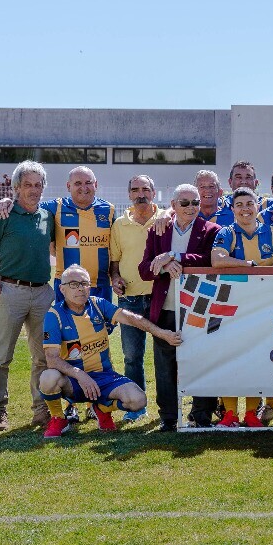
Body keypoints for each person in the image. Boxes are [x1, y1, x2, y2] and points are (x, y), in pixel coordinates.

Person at [37, 265, 182, 439]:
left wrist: (162, 333)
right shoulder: (54, 315)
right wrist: (80, 375)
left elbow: (130, 318)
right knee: (48, 377)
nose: (80, 289)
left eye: (84, 283)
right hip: (74, 380)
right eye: (74, 284)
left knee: (138, 400)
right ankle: (58, 418)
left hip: (103, 377)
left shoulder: (97, 304)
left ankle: (102, 408)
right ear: (62, 288)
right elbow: (52, 359)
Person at [0, 160, 56, 432]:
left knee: (42, 357)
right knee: (1, 357)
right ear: (16, 188)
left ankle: (41, 410)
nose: (33, 190)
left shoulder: (48, 216)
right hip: (10, 292)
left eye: (38, 185)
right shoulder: (4, 214)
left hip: (43, 294)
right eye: (27, 185)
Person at [139, 184, 220, 431]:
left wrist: (175, 256)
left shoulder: (211, 231)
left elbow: (208, 260)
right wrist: (163, 266)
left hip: (199, 307)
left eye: (195, 202)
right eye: (184, 203)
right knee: (165, 366)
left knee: (202, 361)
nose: (191, 208)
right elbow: (144, 270)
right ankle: (168, 417)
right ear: (173, 206)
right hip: (166, 308)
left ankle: (202, 414)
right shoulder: (157, 230)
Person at [210, 186, 273, 428]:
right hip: (232, 307)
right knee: (231, 358)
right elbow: (217, 260)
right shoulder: (227, 232)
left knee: (258, 358)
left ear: (257, 207)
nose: (245, 209)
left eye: (249, 203)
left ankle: (252, 413)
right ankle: (230, 413)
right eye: (239, 205)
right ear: (232, 209)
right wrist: (248, 265)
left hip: (265, 308)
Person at [0, 165, 118, 301]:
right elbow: (27, 204)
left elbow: (115, 250)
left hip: (101, 287)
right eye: (78, 183)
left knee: (100, 323)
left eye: (88, 182)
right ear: (68, 186)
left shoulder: (109, 210)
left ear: (95, 184)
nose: (84, 187)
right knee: (66, 323)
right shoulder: (56, 207)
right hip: (66, 286)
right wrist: (7, 201)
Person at [108, 173, 159, 422]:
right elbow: (114, 262)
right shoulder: (119, 224)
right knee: (131, 356)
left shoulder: (166, 219)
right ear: (129, 194)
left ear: (154, 192)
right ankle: (138, 406)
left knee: (166, 354)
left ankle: (168, 407)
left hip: (161, 298)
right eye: (136, 190)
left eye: (146, 189)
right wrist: (115, 278)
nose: (141, 194)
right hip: (129, 299)